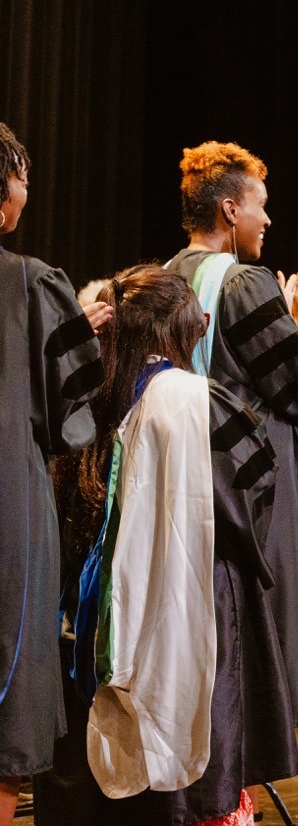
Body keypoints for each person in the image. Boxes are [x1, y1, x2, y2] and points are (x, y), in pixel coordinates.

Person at [40, 264, 295, 825]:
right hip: (192, 596)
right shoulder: (195, 400)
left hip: (89, 615)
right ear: (173, 328)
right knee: (181, 751)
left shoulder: (86, 396)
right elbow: (248, 496)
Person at [167, 141, 298, 727]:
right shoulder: (245, 283)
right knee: (251, 618)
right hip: (248, 480)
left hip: (178, 473)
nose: (266, 219)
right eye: (259, 206)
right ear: (229, 210)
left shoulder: (160, 280)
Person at [0, 122, 108, 826]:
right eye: (23, 179)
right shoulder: (28, 283)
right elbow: (70, 413)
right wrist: (73, 336)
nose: (27, 192)